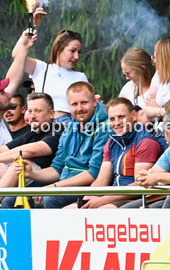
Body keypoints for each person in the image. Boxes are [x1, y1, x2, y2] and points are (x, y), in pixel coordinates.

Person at [17, 81, 109, 209]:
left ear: (94, 102)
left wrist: (54, 187)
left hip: (89, 187)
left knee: (51, 199)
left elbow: (94, 173)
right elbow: (57, 168)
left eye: (84, 102)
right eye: (74, 104)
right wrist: (32, 173)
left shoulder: (105, 127)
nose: (79, 108)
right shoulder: (70, 127)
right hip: (64, 183)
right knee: (12, 200)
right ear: (68, 106)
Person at [77, 97, 161, 209]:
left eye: (121, 117)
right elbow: (102, 180)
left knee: (100, 211)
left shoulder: (146, 142)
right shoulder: (111, 142)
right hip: (112, 196)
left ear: (134, 115)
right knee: (70, 211)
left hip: (134, 199)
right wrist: (86, 200)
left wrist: (103, 200)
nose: (117, 123)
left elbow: (140, 186)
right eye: (112, 119)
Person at [8, 27, 88, 122]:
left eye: (79, 52)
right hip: (41, 123)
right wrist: (27, 39)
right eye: (72, 51)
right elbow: (17, 56)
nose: (76, 56)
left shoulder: (80, 77)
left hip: (67, 125)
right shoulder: (41, 68)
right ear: (59, 48)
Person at [0, 92, 63, 205]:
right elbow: (4, 149)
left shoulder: (57, 129)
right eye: (30, 111)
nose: (32, 115)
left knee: (19, 166)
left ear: (51, 114)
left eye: (38, 111)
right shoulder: (31, 134)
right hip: (28, 179)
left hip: (47, 180)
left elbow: (29, 151)